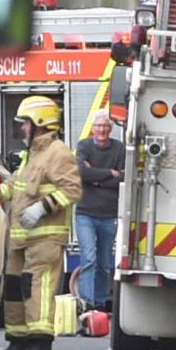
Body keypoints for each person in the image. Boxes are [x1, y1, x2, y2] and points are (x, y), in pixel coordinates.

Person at [0, 95, 81, 350]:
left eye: (25, 123)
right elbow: (15, 188)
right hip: (20, 238)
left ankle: (40, 345)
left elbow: (72, 190)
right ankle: (18, 342)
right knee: (13, 288)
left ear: (40, 123)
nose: (22, 128)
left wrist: (42, 208)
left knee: (36, 288)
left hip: (44, 238)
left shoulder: (58, 153)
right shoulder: (32, 155)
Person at [75, 110, 123, 312]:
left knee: (103, 263)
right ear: (93, 128)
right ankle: (87, 303)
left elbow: (123, 178)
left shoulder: (119, 148)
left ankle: (101, 304)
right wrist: (109, 173)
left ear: (110, 129)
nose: (102, 130)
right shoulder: (84, 146)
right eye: (98, 126)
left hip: (109, 215)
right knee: (89, 258)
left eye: (105, 126)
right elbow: (80, 172)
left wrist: (96, 178)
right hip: (85, 213)